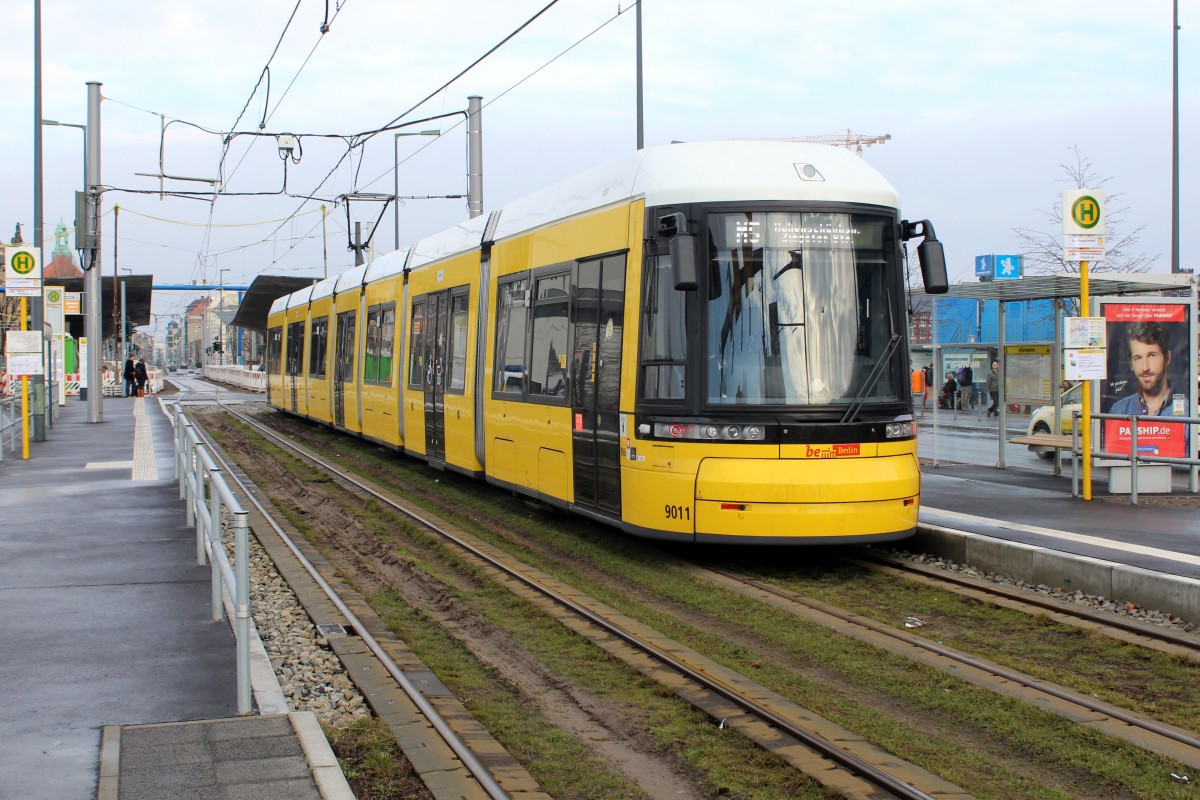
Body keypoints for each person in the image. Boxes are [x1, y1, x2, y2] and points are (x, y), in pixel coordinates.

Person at [1110, 322, 1177, 416]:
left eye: (1151, 356)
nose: (1145, 367)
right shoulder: (1119, 410)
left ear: (1167, 358)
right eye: (1138, 358)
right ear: (1131, 364)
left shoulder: (1187, 412)